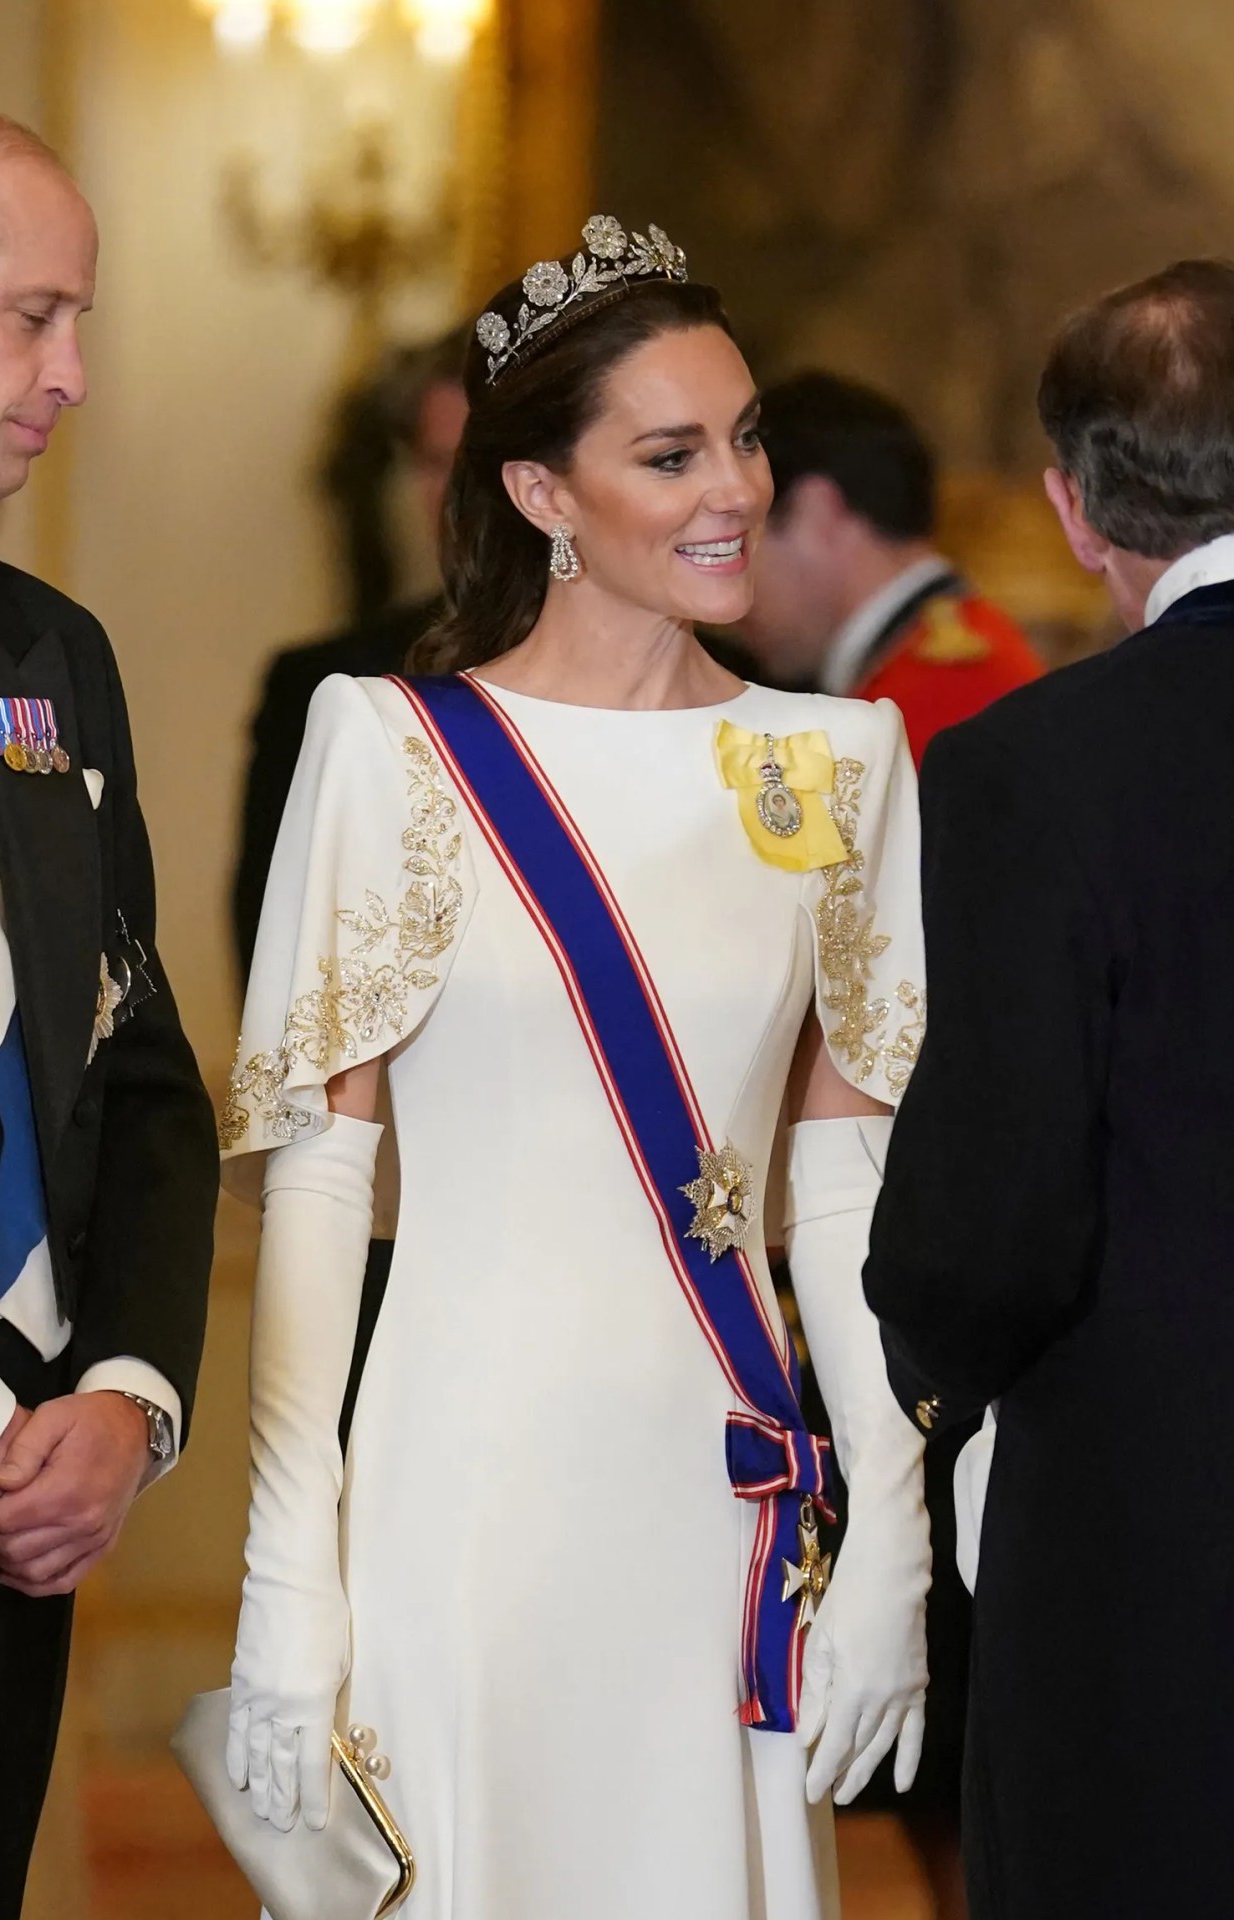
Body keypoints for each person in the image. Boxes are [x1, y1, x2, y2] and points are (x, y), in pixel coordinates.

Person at [219, 217, 931, 1920]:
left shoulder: (837, 764)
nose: (735, 490)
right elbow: (321, 1188)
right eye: (670, 453)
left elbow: (841, 1193)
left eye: (747, 437)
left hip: (723, 1497)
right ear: (541, 493)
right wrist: (281, 1587)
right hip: (465, 1482)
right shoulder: (388, 748)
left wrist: (895, 1539)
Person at [864, 256, 1234, 1920]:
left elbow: (994, 1214)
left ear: (1074, 508)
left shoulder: (1031, 767)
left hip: (1145, 1549)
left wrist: (923, 1373)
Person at [0, 108, 216, 1919]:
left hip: (21, 1526)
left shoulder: (52, 656)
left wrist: (122, 1392)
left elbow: (143, 1088)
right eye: (36, 316)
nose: (78, 376)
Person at [231, 328, 467, 985]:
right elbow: (275, 960)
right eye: (436, 463)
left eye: (480, 461)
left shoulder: (699, 685)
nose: (455, 496)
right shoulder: (322, 684)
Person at [739, 372, 1043, 767]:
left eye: (739, 541)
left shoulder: (932, 702)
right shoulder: (942, 673)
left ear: (817, 513)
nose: (732, 598)